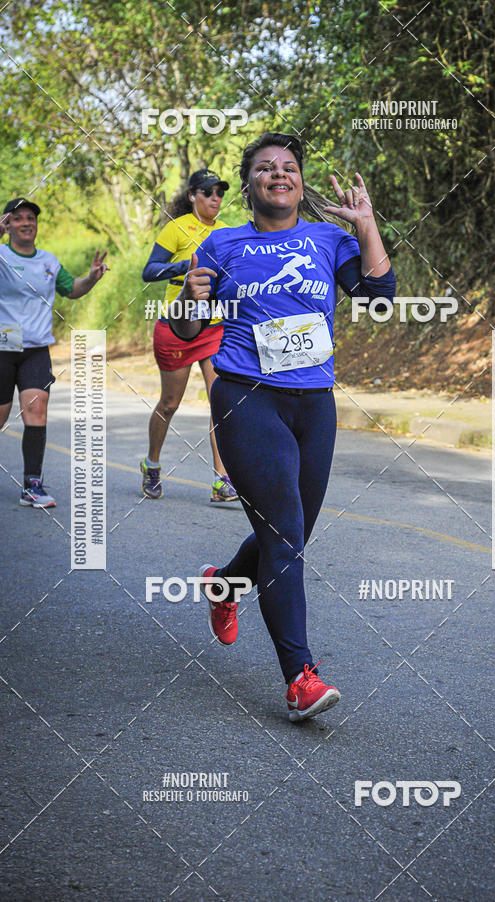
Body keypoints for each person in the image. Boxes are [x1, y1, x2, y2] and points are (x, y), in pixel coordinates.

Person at [176, 133, 396, 721]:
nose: (280, 174)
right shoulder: (221, 243)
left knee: (291, 534)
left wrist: (366, 224)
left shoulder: (328, 238)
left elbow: (379, 296)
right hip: (247, 396)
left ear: (300, 182)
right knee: (285, 533)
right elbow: (185, 329)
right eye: (266, 168)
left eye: (290, 168)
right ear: (247, 184)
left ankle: (224, 585)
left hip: (314, 403)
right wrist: (189, 300)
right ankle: (299, 676)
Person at [0, 197, 108, 508]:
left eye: (31, 218)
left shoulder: (49, 261)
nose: (26, 223)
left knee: (37, 408)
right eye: (18, 218)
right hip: (3, 347)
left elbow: (72, 289)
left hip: (35, 348)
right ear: (8, 224)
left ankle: (32, 483)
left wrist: (91, 278)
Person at [140, 169, 238, 503]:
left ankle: (221, 479)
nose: (216, 198)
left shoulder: (227, 233)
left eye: (220, 193)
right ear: (193, 195)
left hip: (213, 328)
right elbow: (149, 271)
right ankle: (152, 464)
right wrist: (185, 267)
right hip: (178, 328)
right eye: (209, 192)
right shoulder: (176, 228)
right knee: (170, 403)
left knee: (220, 402)